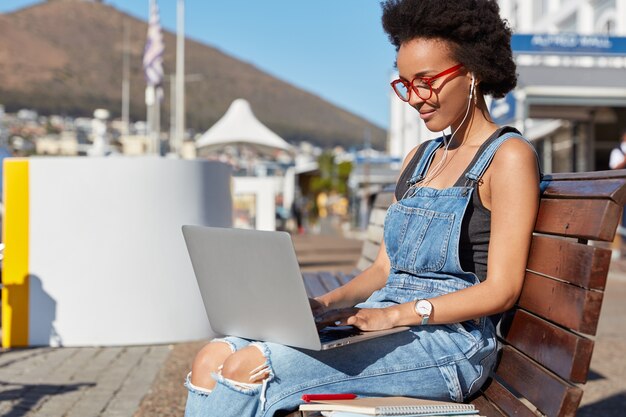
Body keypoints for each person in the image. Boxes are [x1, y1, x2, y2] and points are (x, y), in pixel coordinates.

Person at [184, 1, 542, 416]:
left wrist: (398, 316)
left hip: (451, 344)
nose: (415, 98)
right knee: (212, 358)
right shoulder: (420, 159)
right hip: (385, 320)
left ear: (473, 71)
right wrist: (323, 307)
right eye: (406, 84)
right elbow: (382, 270)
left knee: (252, 367)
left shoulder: (509, 156)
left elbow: (503, 289)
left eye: (426, 81)